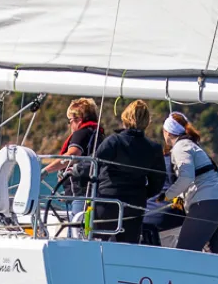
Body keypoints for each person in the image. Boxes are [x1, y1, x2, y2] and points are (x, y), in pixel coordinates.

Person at [91, 100, 167, 243]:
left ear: (125, 117)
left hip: (108, 201)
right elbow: (158, 181)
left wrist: (76, 172)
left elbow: (93, 164)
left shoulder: (113, 141)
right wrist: (142, 194)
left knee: (100, 244)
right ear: (146, 121)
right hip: (135, 204)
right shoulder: (153, 148)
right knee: (127, 248)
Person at [160, 112, 218, 254]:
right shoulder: (193, 145)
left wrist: (166, 196)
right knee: (215, 258)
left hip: (207, 205)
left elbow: (186, 177)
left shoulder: (181, 146)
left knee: (184, 253)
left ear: (167, 132)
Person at [43, 97, 104, 229]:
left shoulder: (81, 133)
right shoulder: (98, 134)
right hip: (93, 191)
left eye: (70, 120)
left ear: (78, 119)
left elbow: (71, 155)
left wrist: (46, 170)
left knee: (76, 231)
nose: (69, 125)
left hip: (80, 194)